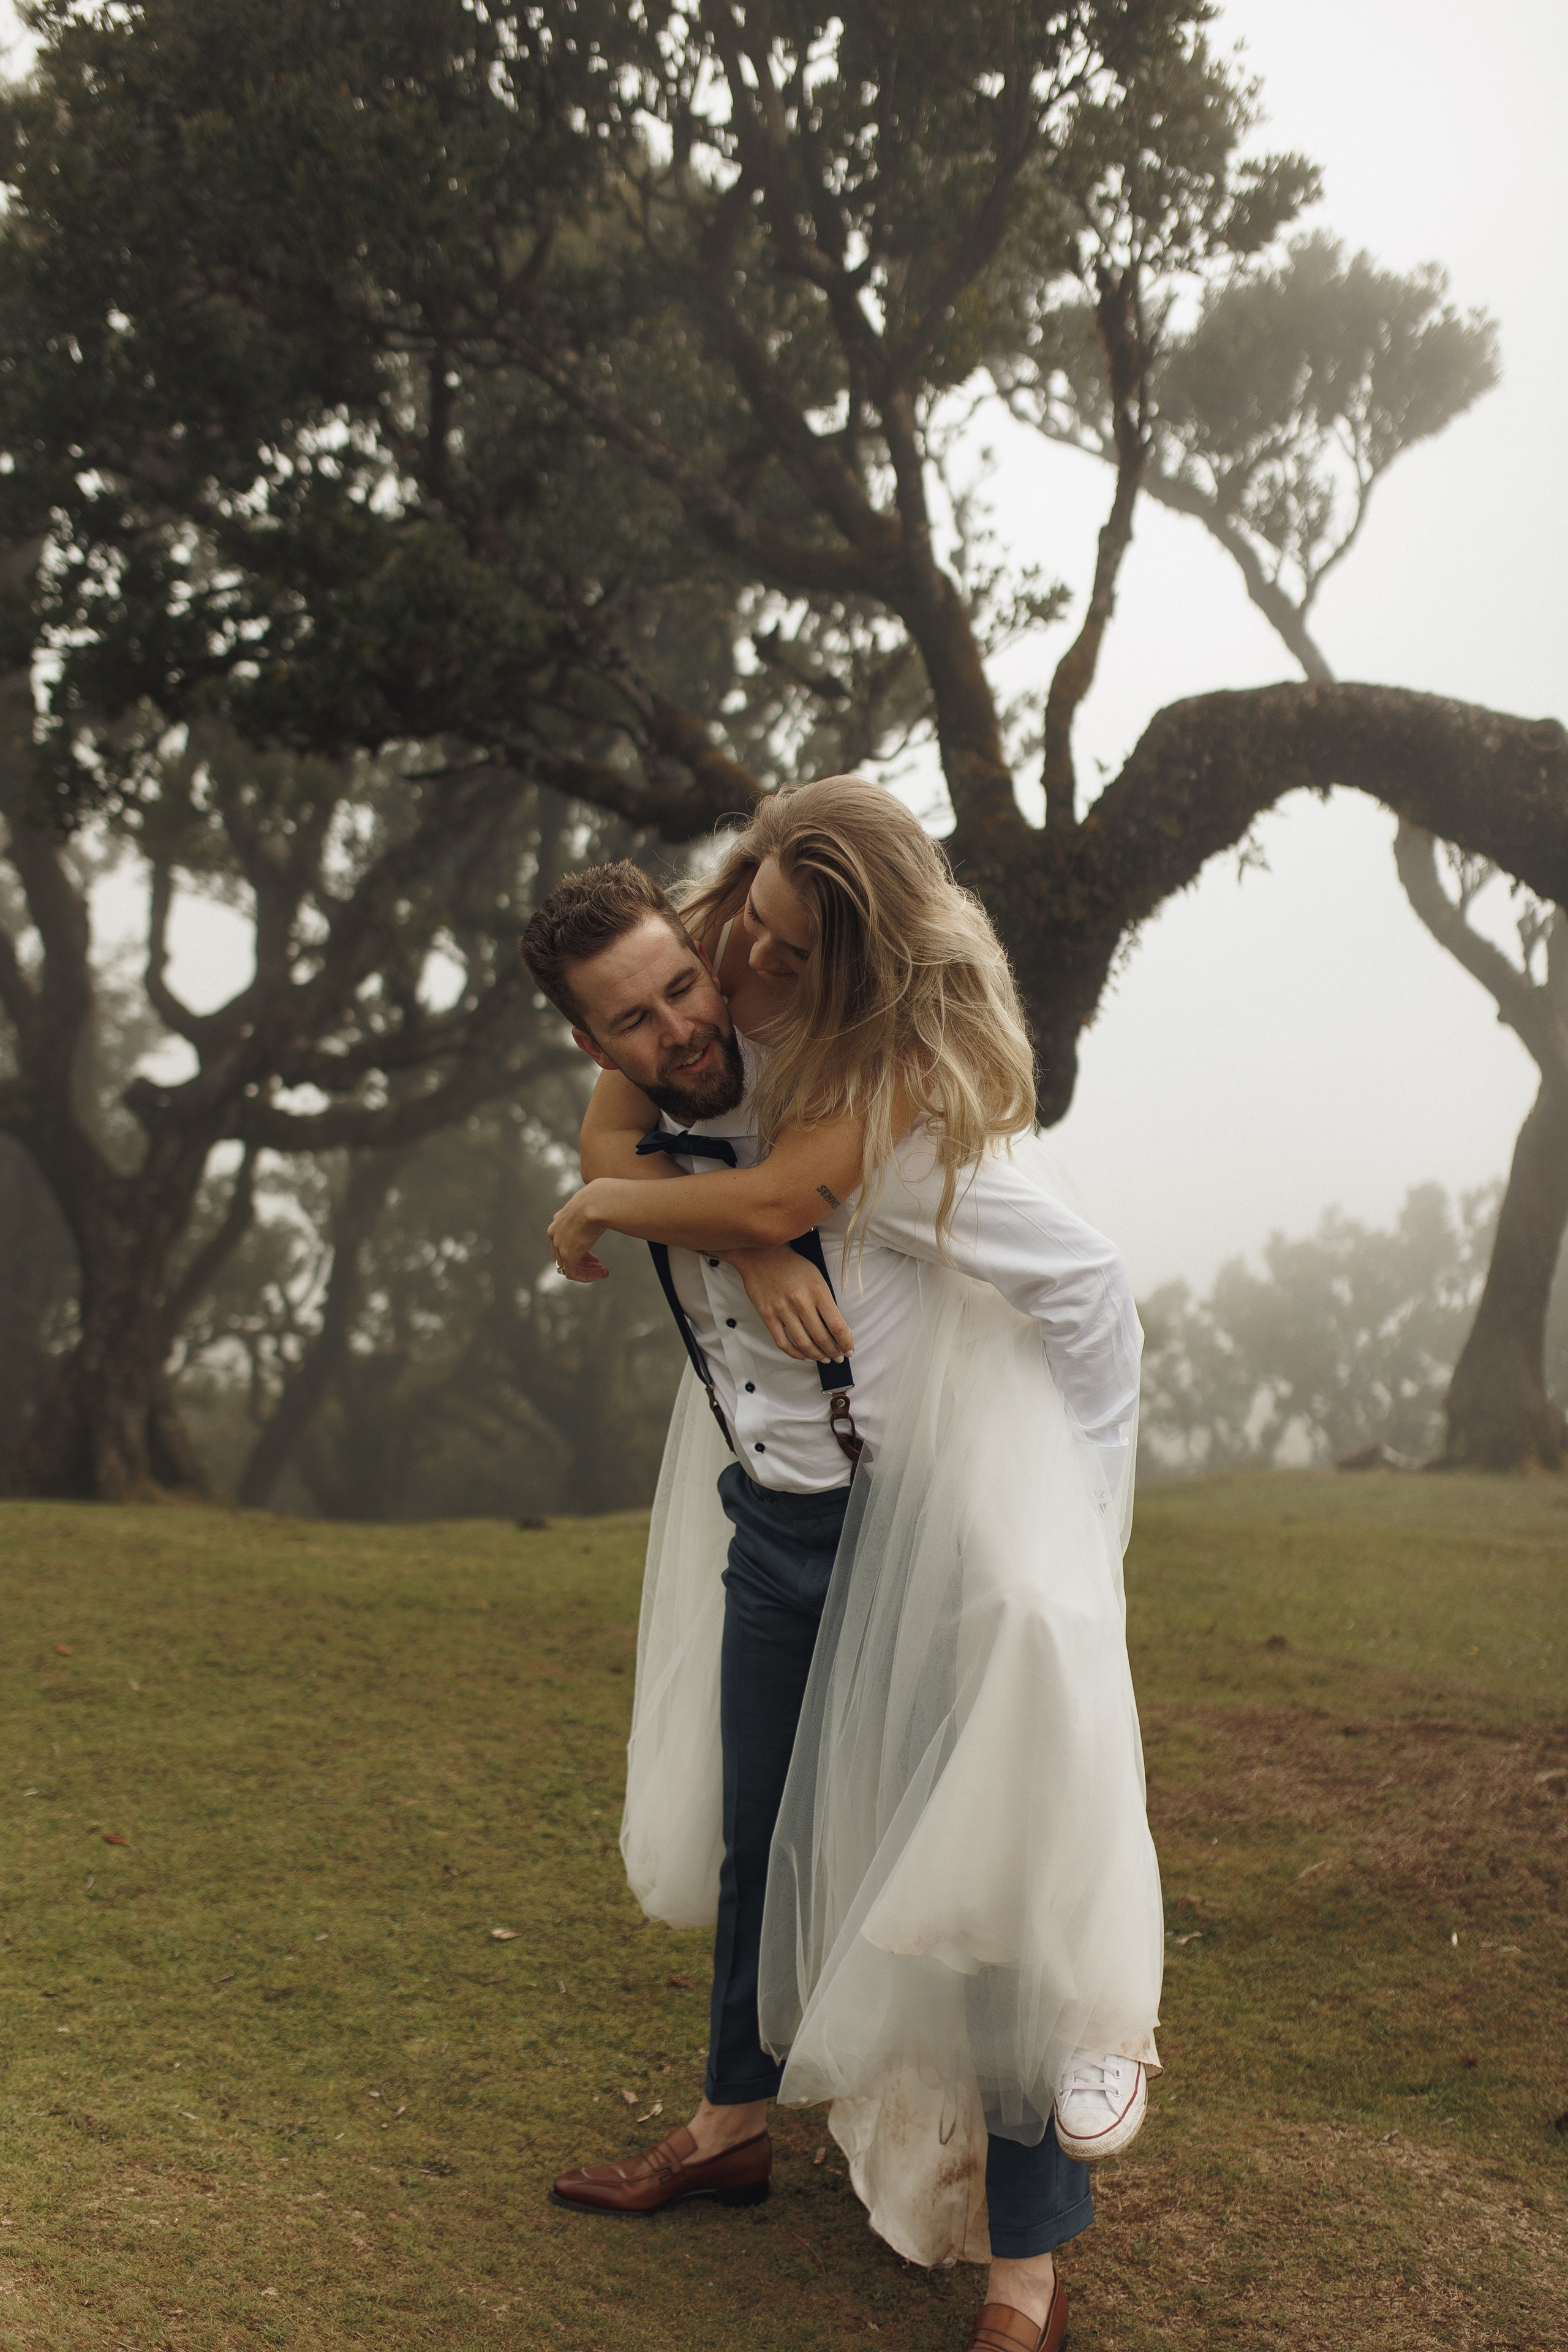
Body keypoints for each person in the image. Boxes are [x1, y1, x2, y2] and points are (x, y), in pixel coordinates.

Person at [519, 780, 1163, 2352]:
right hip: (773, 1526)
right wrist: (717, 1231)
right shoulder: (676, 1081)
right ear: (595, 1037)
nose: (705, 997)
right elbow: (709, 1168)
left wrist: (1079, 1520)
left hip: (914, 1539)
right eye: (657, 998)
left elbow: (1081, 1292)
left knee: (981, 1889)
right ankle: (729, 2129)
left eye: (725, 965)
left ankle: (1026, 2268)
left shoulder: (887, 1107)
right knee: (761, 1842)